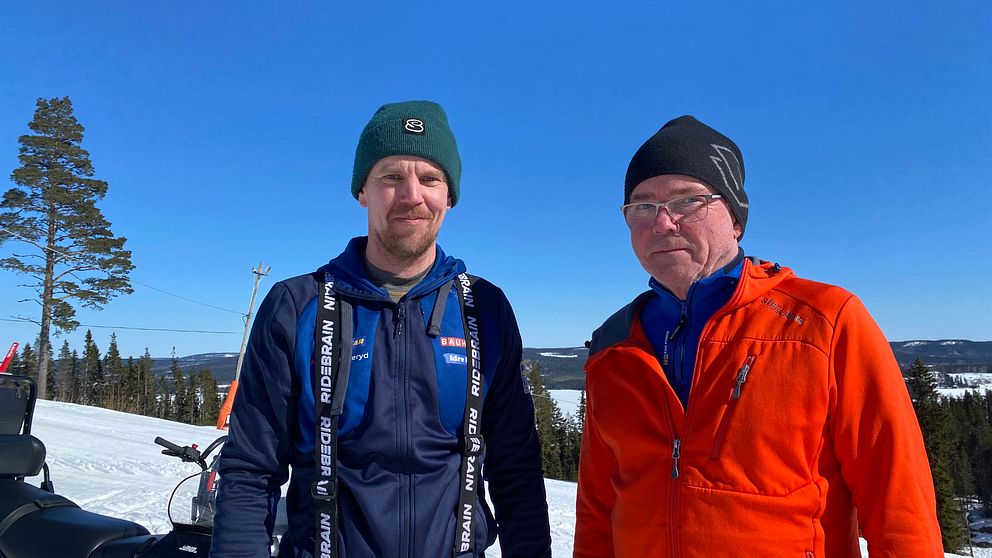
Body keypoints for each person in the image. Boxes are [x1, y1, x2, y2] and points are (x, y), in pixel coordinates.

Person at [573, 115, 943, 557]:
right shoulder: (615, 343)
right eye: (642, 206)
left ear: (735, 220)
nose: (663, 223)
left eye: (687, 201)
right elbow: (598, 506)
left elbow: (899, 500)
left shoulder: (824, 321)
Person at [210, 100, 552, 558]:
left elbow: (515, 467)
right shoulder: (298, 305)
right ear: (362, 192)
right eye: (391, 176)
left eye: (430, 178)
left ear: (449, 197)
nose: (412, 195)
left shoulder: (484, 309)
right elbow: (251, 467)